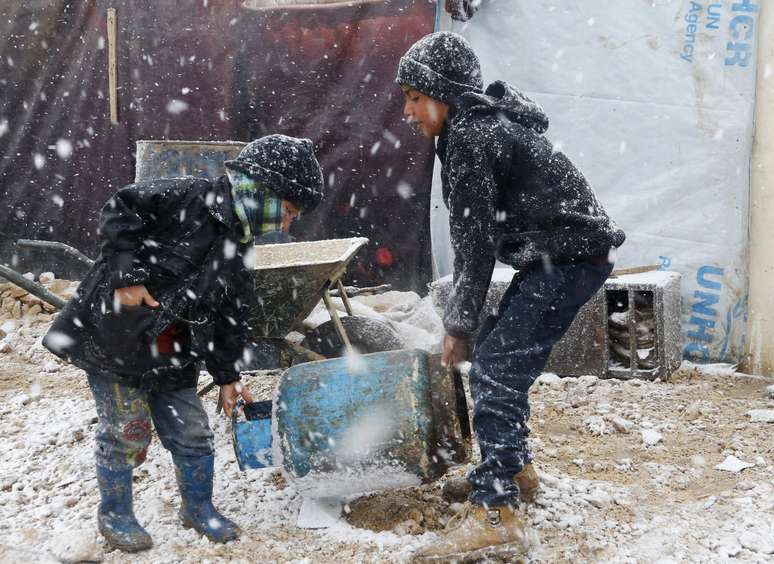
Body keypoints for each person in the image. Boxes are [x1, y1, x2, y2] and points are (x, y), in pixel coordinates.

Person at [396, 32, 625, 560]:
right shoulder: (472, 128)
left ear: (444, 93)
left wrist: (457, 326)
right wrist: (471, 324)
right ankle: (514, 471)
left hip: (567, 259)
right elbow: (478, 238)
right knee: (499, 351)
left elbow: (473, 244)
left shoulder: (474, 137)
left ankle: (495, 512)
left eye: (414, 97)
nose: (407, 111)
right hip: (562, 256)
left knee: (496, 367)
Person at [43, 134, 323, 553]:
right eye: (287, 211)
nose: (285, 225)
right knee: (127, 432)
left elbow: (229, 318)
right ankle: (116, 514)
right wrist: (128, 276)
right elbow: (120, 209)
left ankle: (198, 507)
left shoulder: (237, 248)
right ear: (262, 187)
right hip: (115, 342)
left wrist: (228, 376)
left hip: (172, 350)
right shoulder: (189, 197)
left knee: (193, 433)